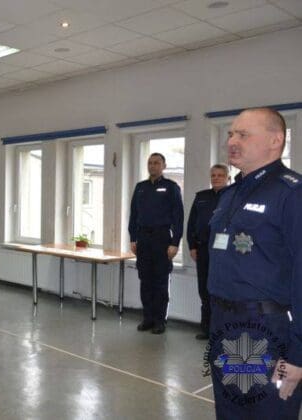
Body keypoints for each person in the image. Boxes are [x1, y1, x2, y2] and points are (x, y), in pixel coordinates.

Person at [207, 108, 302, 418]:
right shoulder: (229, 195)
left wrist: (298, 356)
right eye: (231, 134)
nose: (232, 141)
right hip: (225, 326)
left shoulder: (292, 193)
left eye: (243, 135)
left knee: (267, 412)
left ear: (276, 140)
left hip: (267, 330)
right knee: (231, 411)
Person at [128, 152, 184, 335]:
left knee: (160, 281)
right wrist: (133, 238)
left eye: (156, 163)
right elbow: (133, 215)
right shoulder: (140, 188)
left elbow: (178, 217)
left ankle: (160, 320)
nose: (152, 166)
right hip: (143, 239)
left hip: (162, 238)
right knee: (145, 280)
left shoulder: (171, 187)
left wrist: (175, 243)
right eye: (150, 163)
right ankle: (148, 318)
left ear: (164, 166)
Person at [186, 164, 229, 340]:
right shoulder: (201, 197)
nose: (216, 178)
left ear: (228, 178)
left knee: (222, 291)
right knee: (204, 290)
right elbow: (191, 224)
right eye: (213, 175)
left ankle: (222, 330)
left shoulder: (233, 196)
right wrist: (192, 246)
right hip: (203, 249)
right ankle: (207, 329)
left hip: (223, 251)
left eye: (220, 175)